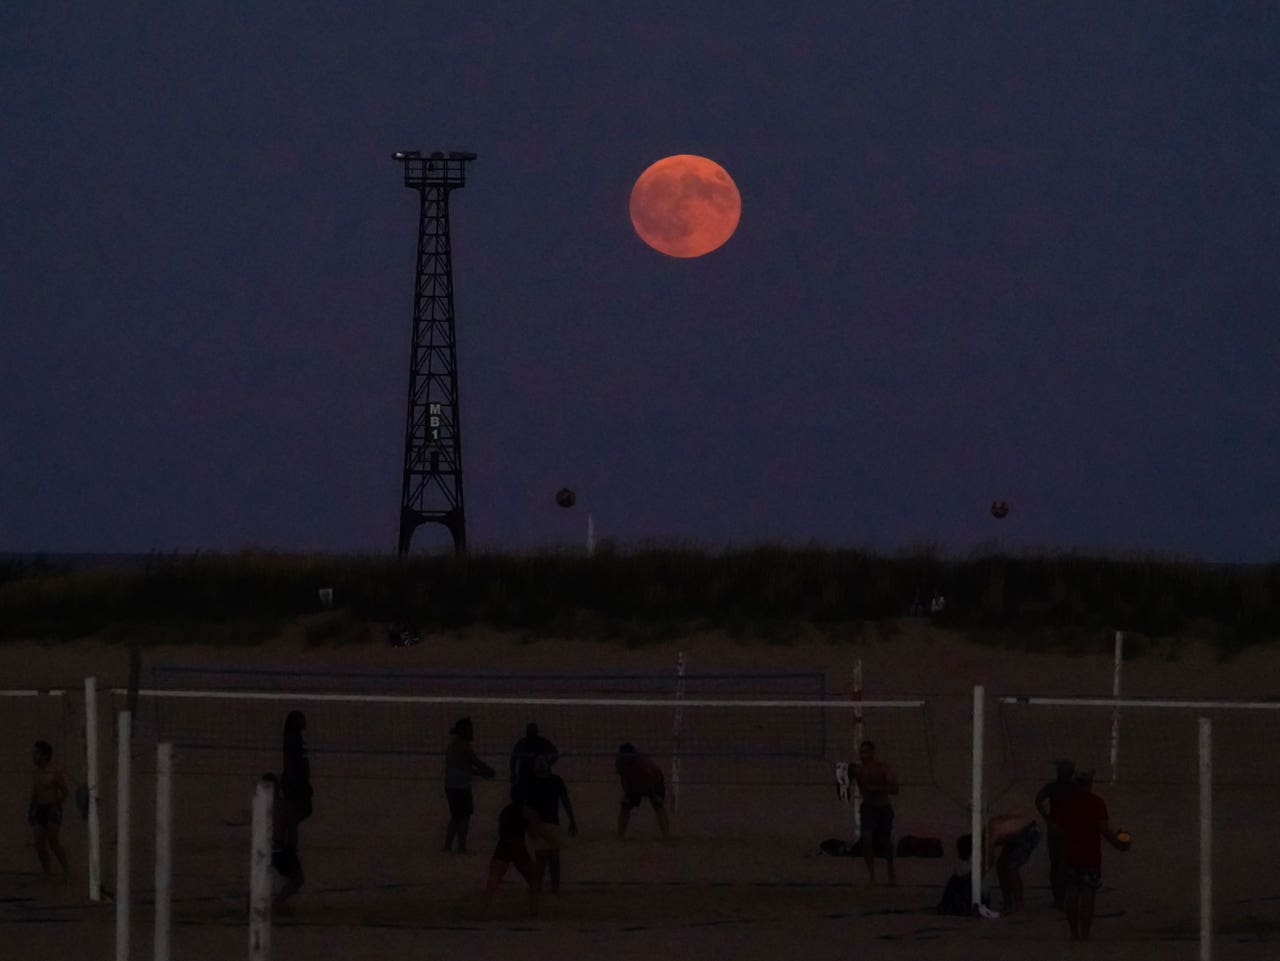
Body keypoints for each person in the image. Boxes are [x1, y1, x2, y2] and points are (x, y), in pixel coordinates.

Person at [1056, 768, 1128, 941]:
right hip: (1090, 856)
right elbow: (1104, 829)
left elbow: (1058, 829)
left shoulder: (1066, 803)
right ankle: (1085, 934)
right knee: (1088, 895)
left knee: (1072, 893)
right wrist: (1119, 844)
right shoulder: (1097, 803)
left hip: (1070, 854)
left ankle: (1074, 933)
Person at [515, 754, 577, 893]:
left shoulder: (556, 780)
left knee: (554, 858)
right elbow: (523, 806)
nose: (541, 763)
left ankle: (554, 888)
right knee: (541, 859)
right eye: (538, 761)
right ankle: (539, 888)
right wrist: (526, 824)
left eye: (543, 760)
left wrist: (572, 820)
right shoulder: (529, 781)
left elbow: (565, 801)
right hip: (536, 825)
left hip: (552, 824)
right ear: (534, 766)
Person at [443, 716, 496, 853]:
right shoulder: (463, 745)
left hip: (450, 785)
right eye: (470, 729)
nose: (472, 732)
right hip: (461, 786)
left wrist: (481, 772)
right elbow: (474, 762)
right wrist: (488, 771)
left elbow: (464, 766)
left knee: (456, 816)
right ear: (464, 731)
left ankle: (448, 845)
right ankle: (461, 847)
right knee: (464, 817)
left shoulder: (453, 744)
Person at [850, 740, 899, 885]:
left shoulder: (882, 768)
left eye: (866, 752)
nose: (863, 755)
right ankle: (872, 875)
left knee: (885, 841)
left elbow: (895, 789)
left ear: (872, 752)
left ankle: (891, 871)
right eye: (861, 752)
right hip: (868, 808)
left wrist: (876, 788)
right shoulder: (858, 770)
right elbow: (844, 779)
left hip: (883, 808)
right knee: (866, 839)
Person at [482, 797, 540, 918]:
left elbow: (500, 830)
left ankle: (484, 907)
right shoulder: (527, 811)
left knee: (493, 880)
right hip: (517, 845)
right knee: (533, 879)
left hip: (503, 844)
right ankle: (533, 910)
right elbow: (533, 833)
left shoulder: (506, 810)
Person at [1035, 758, 1077, 908]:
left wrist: (1048, 819)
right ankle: (1063, 898)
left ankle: (1060, 898)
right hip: (1067, 830)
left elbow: (1038, 800)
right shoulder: (1073, 788)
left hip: (1058, 829)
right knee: (1064, 864)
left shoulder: (1053, 787)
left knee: (1057, 864)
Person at [984, 812, 1041, 914]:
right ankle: (1008, 902)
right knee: (1001, 866)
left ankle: (1018, 903)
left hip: (1029, 831)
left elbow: (989, 861)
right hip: (1017, 834)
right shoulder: (991, 831)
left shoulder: (990, 835)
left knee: (1011, 867)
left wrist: (978, 877)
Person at [261, 773, 304, 906]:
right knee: (297, 879)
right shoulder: (285, 807)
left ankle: (262, 903)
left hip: (262, 846)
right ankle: (276, 904)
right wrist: (291, 851)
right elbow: (292, 834)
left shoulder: (260, 806)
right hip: (277, 847)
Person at [29, 740, 70, 880]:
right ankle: (47, 872)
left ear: (45, 755)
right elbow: (35, 793)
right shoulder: (35, 773)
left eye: (36, 754)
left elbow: (65, 792)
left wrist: (56, 804)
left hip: (52, 809)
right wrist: (31, 809)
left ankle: (66, 870)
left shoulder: (53, 772)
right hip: (39, 809)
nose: (33, 757)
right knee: (38, 843)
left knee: (53, 841)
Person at [615, 742, 670, 840]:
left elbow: (651, 781)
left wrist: (654, 795)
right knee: (625, 805)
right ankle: (620, 836)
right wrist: (627, 792)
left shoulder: (643, 765)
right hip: (634, 782)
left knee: (658, 805)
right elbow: (623, 778)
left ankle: (666, 835)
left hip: (655, 782)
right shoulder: (620, 763)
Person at [281, 711, 313, 823]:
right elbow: (290, 763)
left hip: (298, 782)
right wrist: (296, 784)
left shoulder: (298, 739)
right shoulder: (293, 740)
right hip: (295, 783)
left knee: (303, 810)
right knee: (301, 810)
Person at [509, 723, 559, 791]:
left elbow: (513, 759)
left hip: (536, 774)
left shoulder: (523, 743)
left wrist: (547, 764)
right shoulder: (524, 743)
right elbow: (513, 759)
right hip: (528, 774)